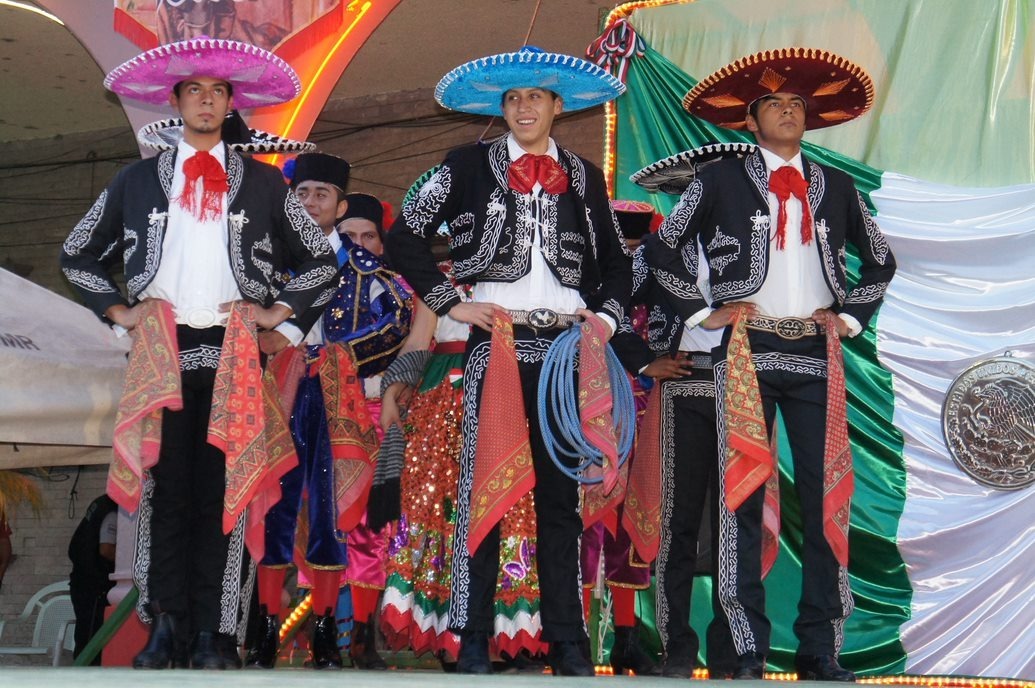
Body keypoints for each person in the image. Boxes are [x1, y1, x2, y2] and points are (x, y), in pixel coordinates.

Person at [59, 37, 339, 670]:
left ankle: (217, 631)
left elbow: (320, 261)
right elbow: (78, 250)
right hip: (163, 347)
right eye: (194, 91)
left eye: (217, 92)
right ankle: (166, 625)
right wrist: (118, 310)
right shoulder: (134, 180)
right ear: (178, 101)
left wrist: (283, 321)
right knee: (167, 492)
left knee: (227, 492)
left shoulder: (267, 186)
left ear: (230, 104)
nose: (206, 101)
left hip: (235, 348)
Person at [644, 48, 896, 682]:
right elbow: (663, 250)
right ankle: (744, 649)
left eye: (797, 106)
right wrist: (706, 311)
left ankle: (821, 649)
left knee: (824, 495)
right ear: (751, 120)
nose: (789, 111)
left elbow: (881, 258)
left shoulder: (836, 186)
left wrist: (851, 315)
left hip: (814, 350)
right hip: (746, 350)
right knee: (741, 500)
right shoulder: (719, 180)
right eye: (775, 105)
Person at [386, 45, 632, 676]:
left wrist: (601, 321)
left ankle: (568, 644)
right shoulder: (465, 165)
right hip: (493, 345)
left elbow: (614, 269)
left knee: (558, 498)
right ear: (504, 109)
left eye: (537, 98)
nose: (525, 107)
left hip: (561, 350)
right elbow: (405, 234)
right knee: (482, 492)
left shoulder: (583, 176)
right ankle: (471, 638)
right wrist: (449, 302)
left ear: (558, 107)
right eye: (514, 98)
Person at [253, 179, 411, 670]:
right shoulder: (269, 263)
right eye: (301, 193)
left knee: (330, 512)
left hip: (336, 397)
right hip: (279, 393)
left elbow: (398, 317)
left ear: (339, 208)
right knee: (272, 505)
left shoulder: (368, 270)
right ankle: (263, 629)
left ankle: (324, 631)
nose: (310, 202)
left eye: (322, 194)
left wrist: (337, 354)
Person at [68, 494, 118, 664]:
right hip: (95, 585)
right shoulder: (113, 509)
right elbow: (106, 550)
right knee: (92, 639)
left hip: (83, 581)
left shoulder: (101, 502)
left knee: (85, 636)